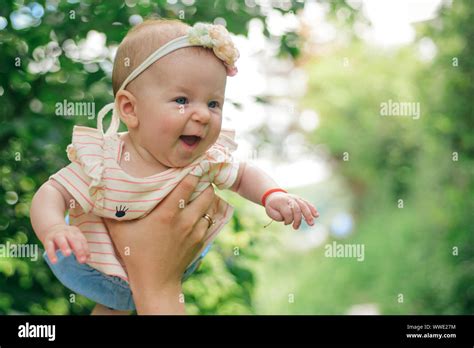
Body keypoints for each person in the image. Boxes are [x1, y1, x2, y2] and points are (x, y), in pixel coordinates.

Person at [30, 19, 319, 314]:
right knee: (110, 308)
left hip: (166, 268)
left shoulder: (204, 161)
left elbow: (243, 174)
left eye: (214, 103)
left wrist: (272, 195)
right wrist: (53, 226)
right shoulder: (106, 158)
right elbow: (53, 192)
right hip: (94, 263)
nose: (203, 115)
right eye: (182, 100)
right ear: (130, 109)